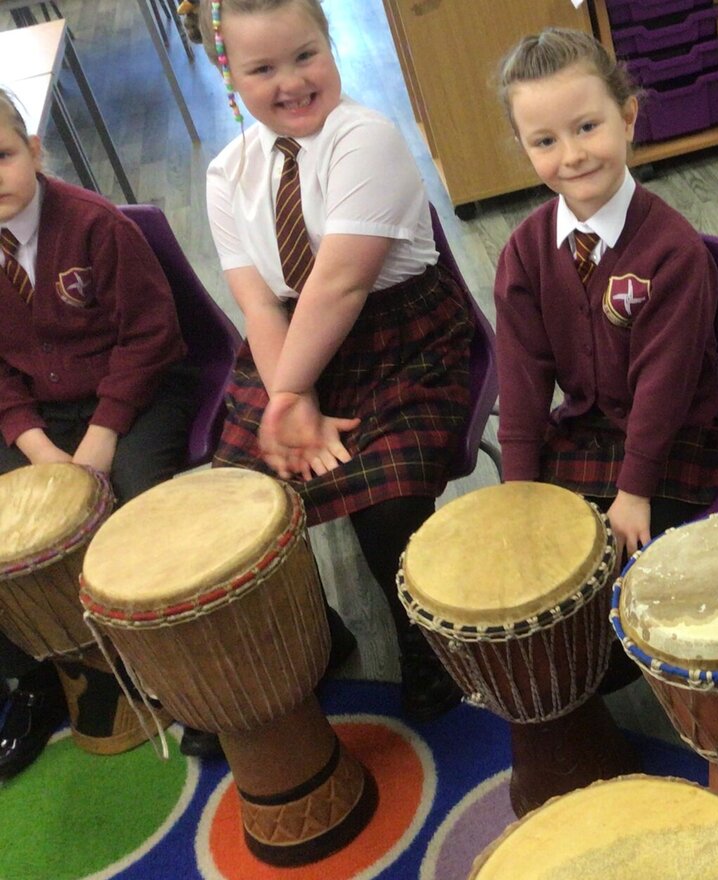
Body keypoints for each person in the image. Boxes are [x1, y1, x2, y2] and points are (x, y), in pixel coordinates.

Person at [183, 0, 472, 722]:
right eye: (262, 68)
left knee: (387, 500)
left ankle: (421, 639)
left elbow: (341, 284)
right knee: (247, 500)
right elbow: (260, 305)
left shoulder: (366, 137)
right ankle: (315, 637)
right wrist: (293, 396)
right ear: (231, 77)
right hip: (291, 348)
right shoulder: (228, 171)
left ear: (332, 43)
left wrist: (287, 396)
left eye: (306, 55)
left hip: (402, 340)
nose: (290, 82)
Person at [0, 87, 195, 771]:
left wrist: (104, 434)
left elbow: (151, 339)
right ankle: (31, 676)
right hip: (41, 416)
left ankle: (187, 668)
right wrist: (33, 443)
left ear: (34, 150)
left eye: (1, 156)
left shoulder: (95, 225)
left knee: (140, 504)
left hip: (140, 392)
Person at [492, 27, 718, 559]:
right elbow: (523, 374)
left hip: (673, 440)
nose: (572, 155)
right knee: (541, 559)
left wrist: (634, 490)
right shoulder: (525, 251)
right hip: (586, 429)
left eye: (587, 127)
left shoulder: (673, 252)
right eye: (546, 141)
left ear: (627, 117)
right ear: (524, 146)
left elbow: (663, 385)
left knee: (619, 577)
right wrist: (519, 487)